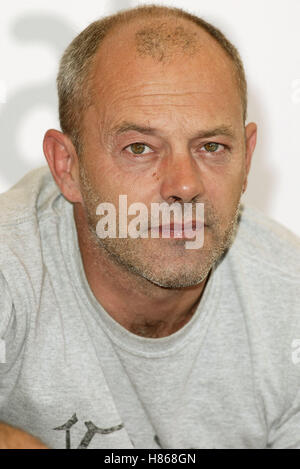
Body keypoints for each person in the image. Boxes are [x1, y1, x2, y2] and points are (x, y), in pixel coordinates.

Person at [0, 4, 299, 450]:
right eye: (139, 147)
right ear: (68, 167)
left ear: (247, 157)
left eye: (212, 146)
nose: (184, 185)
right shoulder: (12, 267)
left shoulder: (289, 299)